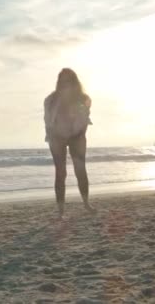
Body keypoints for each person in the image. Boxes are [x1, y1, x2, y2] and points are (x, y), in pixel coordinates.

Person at [44, 68, 96, 219]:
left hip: (77, 136)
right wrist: (54, 136)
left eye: (69, 80)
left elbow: (84, 120)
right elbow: (48, 121)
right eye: (63, 80)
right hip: (56, 137)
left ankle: (86, 203)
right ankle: (61, 211)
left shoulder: (84, 98)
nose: (66, 83)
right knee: (61, 173)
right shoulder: (50, 99)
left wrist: (78, 135)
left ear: (74, 81)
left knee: (80, 169)